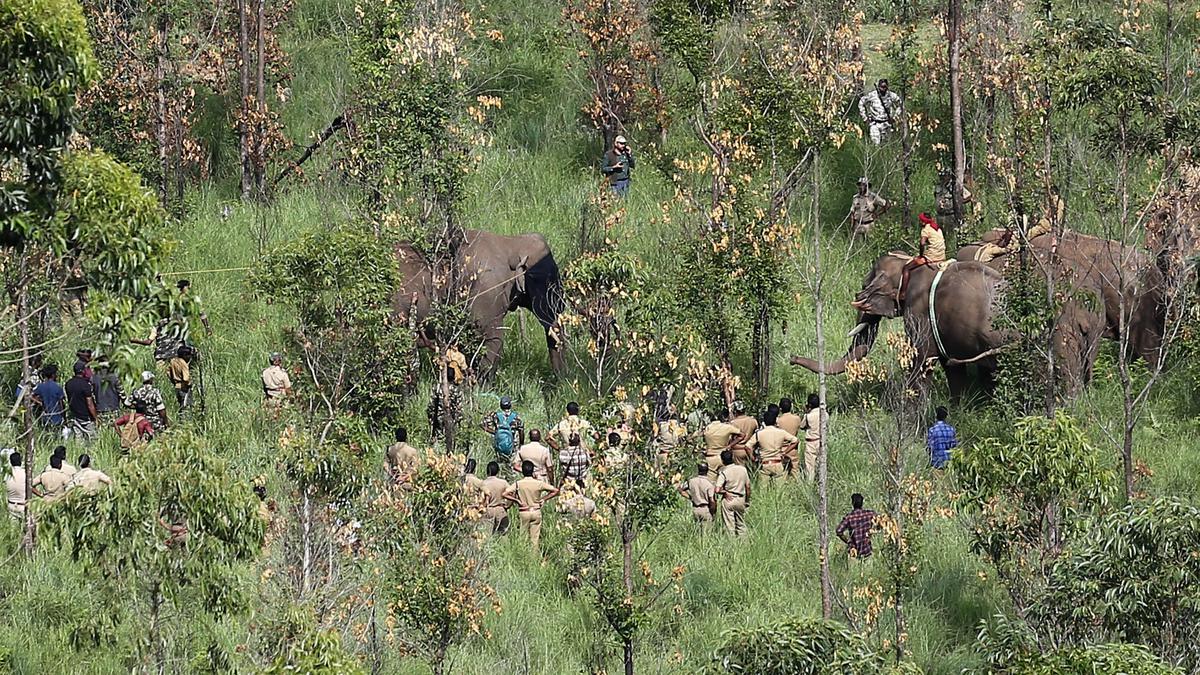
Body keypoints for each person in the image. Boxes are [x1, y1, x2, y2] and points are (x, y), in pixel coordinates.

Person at [503, 460, 559, 552]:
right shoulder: (538, 483)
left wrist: (517, 500)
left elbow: (505, 494)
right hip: (536, 511)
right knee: (535, 539)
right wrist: (544, 498)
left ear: (523, 471)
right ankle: (534, 559)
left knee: (523, 537)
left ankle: (522, 557)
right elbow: (556, 490)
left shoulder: (518, 484)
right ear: (532, 471)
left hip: (524, 511)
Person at [894, 213, 946, 305]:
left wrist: (921, 255)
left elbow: (922, 243)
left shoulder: (926, 230)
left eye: (920, 220)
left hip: (931, 257)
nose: (919, 221)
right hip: (941, 256)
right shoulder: (937, 228)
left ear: (923, 222)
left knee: (906, 268)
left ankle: (903, 293)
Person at [746, 410, 799, 483]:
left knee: (763, 490)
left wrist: (753, 458)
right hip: (778, 463)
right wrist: (784, 452)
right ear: (775, 421)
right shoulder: (781, 432)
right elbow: (795, 441)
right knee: (780, 489)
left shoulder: (759, 434)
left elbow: (747, 446)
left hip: (765, 464)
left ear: (764, 421)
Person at [715, 450, 750, 536]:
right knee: (741, 524)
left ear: (722, 461)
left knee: (729, 526)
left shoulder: (724, 472)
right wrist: (747, 500)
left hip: (729, 499)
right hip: (740, 498)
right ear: (733, 458)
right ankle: (744, 544)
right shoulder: (743, 469)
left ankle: (731, 545)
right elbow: (748, 487)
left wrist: (725, 493)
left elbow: (717, 489)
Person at [858, 79, 903, 145]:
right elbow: (861, 102)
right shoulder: (872, 95)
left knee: (886, 145)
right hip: (874, 124)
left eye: (884, 87)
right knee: (876, 144)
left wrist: (895, 117)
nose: (883, 89)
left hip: (886, 124)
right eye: (881, 87)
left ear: (887, 87)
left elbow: (900, 104)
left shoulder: (891, 95)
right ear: (878, 86)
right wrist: (865, 118)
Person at [482, 396, 524, 463]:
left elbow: (483, 425)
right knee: (511, 461)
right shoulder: (516, 417)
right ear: (510, 405)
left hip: (498, 442)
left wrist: (495, 432)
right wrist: (521, 444)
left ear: (500, 406)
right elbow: (521, 431)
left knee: (498, 461)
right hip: (512, 443)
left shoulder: (495, 415)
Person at [836, 493, 877, 559]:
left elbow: (838, 531)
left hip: (854, 552)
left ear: (852, 503)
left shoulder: (849, 517)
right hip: (867, 551)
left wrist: (848, 541)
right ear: (862, 503)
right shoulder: (870, 514)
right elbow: (879, 521)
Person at [64, 361, 98, 441]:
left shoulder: (68, 384)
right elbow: (90, 404)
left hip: (75, 416)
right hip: (86, 417)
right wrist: (95, 417)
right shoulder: (85, 385)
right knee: (93, 440)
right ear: (83, 371)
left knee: (79, 440)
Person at [798, 394, 825, 482]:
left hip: (811, 442)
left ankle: (810, 484)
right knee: (821, 464)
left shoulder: (809, 416)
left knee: (810, 466)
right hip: (822, 441)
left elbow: (802, 426)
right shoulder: (824, 414)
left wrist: (806, 412)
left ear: (809, 405)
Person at [479, 461, 511, 535]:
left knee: (487, 534)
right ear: (497, 471)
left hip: (488, 509)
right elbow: (512, 493)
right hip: (500, 509)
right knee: (503, 534)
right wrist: (508, 505)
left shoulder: (483, 483)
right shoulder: (503, 483)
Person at [31, 364, 66, 430]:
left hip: (45, 418)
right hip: (57, 417)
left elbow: (30, 396)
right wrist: (64, 417)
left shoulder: (41, 386)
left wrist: (39, 403)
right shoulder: (58, 387)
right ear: (53, 375)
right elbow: (61, 404)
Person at [91, 360, 123, 424]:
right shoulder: (115, 377)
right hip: (114, 409)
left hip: (100, 409)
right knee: (115, 429)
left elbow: (91, 394)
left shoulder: (93, 378)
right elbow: (121, 392)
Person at [926, 405, 958, 469]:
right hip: (949, 465)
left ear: (936, 415)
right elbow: (954, 447)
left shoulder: (932, 430)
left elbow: (929, 447)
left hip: (936, 463)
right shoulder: (951, 430)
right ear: (946, 416)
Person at [167, 345, 194, 417]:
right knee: (186, 408)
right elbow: (186, 378)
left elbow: (168, 373)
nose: (189, 358)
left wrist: (174, 381)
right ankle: (186, 424)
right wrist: (188, 384)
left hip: (177, 387)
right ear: (185, 355)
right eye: (189, 355)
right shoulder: (183, 363)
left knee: (181, 407)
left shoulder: (173, 361)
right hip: (184, 387)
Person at [728, 401, 758, 466]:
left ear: (735, 411)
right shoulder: (753, 421)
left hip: (737, 451)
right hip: (750, 450)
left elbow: (729, 438)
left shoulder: (733, 423)